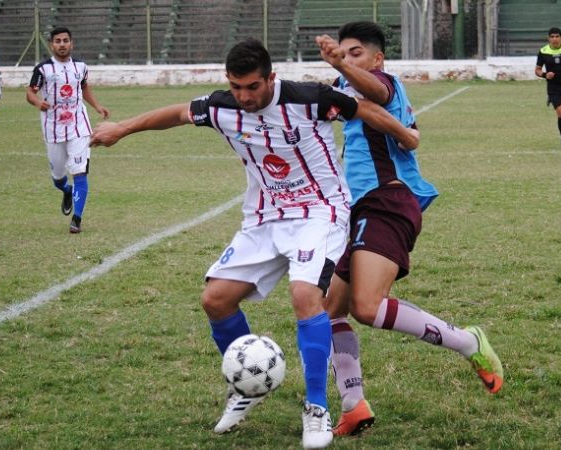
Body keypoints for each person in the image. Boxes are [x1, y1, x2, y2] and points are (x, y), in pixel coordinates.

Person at [90, 38, 419, 449]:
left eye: (252, 87)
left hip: (320, 212)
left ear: (271, 79)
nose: (243, 96)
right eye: (236, 86)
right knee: (216, 300)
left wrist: (406, 134)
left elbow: (365, 109)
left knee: (304, 295)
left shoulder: (310, 98)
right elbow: (176, 113)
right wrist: (121, 128)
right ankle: (248, 388)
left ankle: (317, 407)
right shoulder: (221, 106)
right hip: (263, 219)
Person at [316, 22, 504, 437]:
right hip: (360, 208)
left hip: (386, 201)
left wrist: (340, 67)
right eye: (342, 55)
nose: (347, 61)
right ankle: (353, 404)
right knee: (330, 311)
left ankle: (468, 342)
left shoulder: (381, 83)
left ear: (377, 58)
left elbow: (377, 94)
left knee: (366, 307)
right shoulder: (347, 87)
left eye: (355, 54)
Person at [26, 27, 109, 234]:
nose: (62, 44)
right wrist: (38, 102)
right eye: (57, 41)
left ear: (71, 43)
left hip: (78, 125)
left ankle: (77, 219)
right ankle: (66, 190)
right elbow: (30, 92)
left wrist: (97, 106)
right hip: (53, 129)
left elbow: (84, 87)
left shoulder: (80, 66)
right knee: (58, 177)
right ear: (52, 44)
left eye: (65, 40)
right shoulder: (43, 69)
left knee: (79, 172)